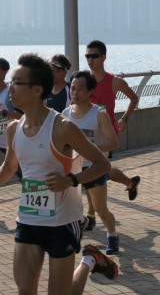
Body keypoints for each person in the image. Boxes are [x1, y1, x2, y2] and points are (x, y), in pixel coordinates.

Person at [0, 53, 115, 294]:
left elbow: (102, 164)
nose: (10, 89)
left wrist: (70, 180)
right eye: (11, 82)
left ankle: (89, 260)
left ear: (36, 90)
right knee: (24, 291)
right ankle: (90, 259)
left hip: (62, 221)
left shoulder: (63, 127)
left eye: (17, 83)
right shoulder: (13, 129)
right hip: (29, 218)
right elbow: (9, 168)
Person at [84, 40, 141, 231]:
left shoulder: (114, 81)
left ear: (103, 57)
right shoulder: (85, 82)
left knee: (93, 172)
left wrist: (125, 118)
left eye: (94, 56)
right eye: (87, 56)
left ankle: (90, 215)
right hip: (88, 133)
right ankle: (130, 182)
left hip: (106, 135)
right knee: (100, 172)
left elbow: (134, 98)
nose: (90, 60)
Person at [63, 70, 121, 255]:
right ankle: (79, 228)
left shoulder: (99, 114)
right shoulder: (65, 114)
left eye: (80, 89)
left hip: (94, 167)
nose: (75, 93)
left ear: (90, 91)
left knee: (100, 209)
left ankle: (112, 235)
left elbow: (113, 142)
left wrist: (88, 147)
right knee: (69, 207)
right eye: (72, 88)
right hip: (73, 169)